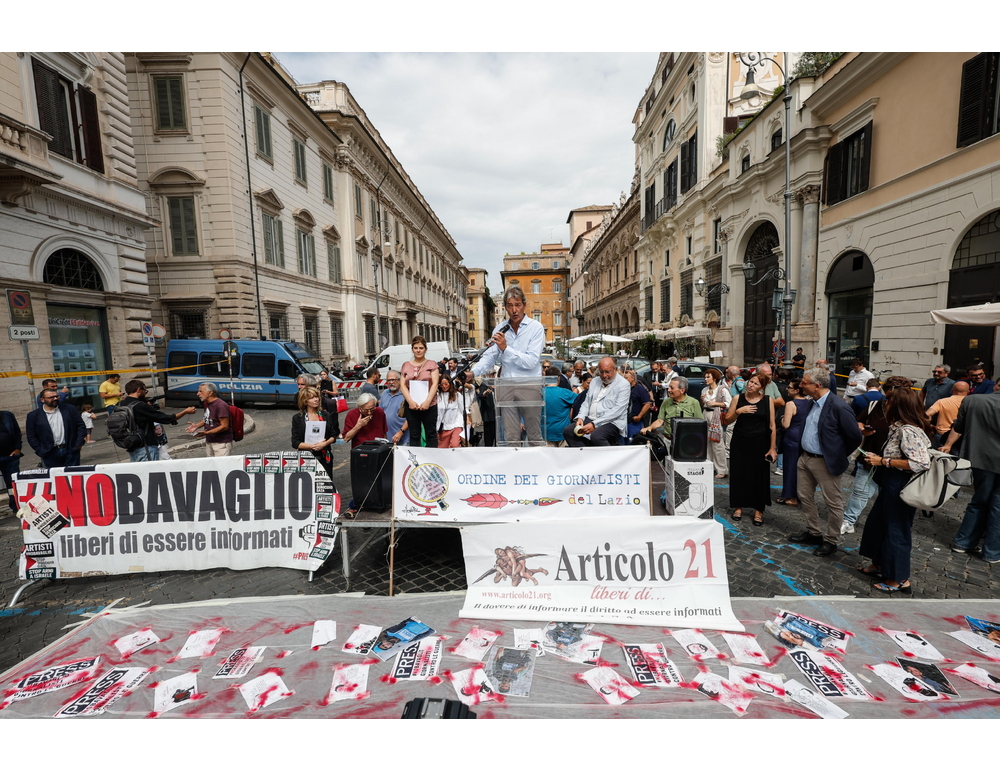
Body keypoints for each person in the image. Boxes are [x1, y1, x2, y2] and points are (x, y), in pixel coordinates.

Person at [857, 387, 933, 593]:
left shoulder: (908, 430)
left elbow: (920, 463)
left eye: (888, 402)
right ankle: (880, 564)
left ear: (897, 406)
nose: (885, 405)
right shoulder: (898, 427)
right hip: (891, 482)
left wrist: (883, 461)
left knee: (896, 529)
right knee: (879, 524)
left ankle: (900, 579)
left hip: (900, 485)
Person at [788, 368, 863, 556]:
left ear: (817, 385)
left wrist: (837, 454)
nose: (801, 385)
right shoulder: (811, 402)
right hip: (805, 458)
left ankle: (831, 540)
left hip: (825, 462)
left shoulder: (838, 406)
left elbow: (854, 436)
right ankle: (814, 532)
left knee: (833, 503)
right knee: (804, 496)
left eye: (805, 382)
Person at [471, 286, 545, 446]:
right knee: (511, 436)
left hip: (529, 386)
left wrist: (506, 348)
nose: (514, 310)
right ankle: (514, 469)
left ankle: (538, 468)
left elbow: (532, 361)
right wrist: (473, 372)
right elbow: (490, 357)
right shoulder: (500, 329)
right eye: (510, 306)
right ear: (505, 307)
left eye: (517, 305)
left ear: (524, 305)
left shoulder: (536, 328)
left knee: (534, 434)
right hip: (506, 386)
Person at [841, 376, 912, 534]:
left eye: (892, 398)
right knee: (860, 492)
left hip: (894, 465)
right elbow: (859, 421)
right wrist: (862, 429)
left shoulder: (909, 414)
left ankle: (886, 525)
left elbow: (917, 459)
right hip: (869, 457)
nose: (888, 402)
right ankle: (848, 521)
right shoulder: (876, 404)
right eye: (887, 396)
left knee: (888, 497)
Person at [942, 384, 1000, 564]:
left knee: (979, 501)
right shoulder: (973, 400)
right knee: (997, 506)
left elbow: (958, 427)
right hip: (987, 459)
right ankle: (991, 552)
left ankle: (963, 543)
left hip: (980, 459)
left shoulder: (973, 400)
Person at [723, 374, 777, 527]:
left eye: (755, 383)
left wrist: (772, 448)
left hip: (760, 442)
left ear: (762, 387)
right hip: (740, 441)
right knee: (739, 473)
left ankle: (758, 510)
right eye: (750, 381)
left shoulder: (767, 401)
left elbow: (772, 426)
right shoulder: (737, 399)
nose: (751, 385)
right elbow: (727, 420)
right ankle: (738, 507)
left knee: (759, 476)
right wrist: (739, 411)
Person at [118, 380, 196, 462]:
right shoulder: (141, 406)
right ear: (138, 390)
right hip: (146, 446)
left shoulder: (120, 404)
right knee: (150, 472)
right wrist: (185, 411)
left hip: (131, 445)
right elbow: (166, 418)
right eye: (144, 390)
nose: (145, 393)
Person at [564, 356, 630, 447]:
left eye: (607, 372)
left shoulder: (623, 384)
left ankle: (611, 459)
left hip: (612, 421)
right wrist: (580, 417)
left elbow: (617, 410)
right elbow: (586, 402)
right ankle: (583, 456)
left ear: (615, 369)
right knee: (568, 431)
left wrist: (595, 424)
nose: (604, 375)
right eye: (601, 372)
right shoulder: (595, 381)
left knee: (597, 436)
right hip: (591, 418)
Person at [25, 388, 87, 468]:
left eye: (56, 396)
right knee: (55, 478)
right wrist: (40, 450)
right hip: (50, 453)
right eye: (51, 397)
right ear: (42, 399)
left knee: (72, 477)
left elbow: (80, 426)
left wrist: (78, 444)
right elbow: (31, 435)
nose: (55, 399)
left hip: (70, 450)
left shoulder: (69, 409)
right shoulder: (34, 415)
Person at [399, 335, 441, 448]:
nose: (418, 350)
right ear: (412, 349)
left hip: (430, 405)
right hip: (412, 405)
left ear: (425, 349)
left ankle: (432, 459)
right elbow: (402, 385)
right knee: (414, 434)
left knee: (431, 434)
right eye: (416, 348)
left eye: (421, 348)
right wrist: (410, 402)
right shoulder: (406, 365)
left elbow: (435, 384)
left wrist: (427, 402)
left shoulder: (432, 364)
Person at [291, 386, 337, 479]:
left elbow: (333, 435)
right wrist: (313, 446)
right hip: (306, 458)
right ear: (305, 401)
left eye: (317, 397)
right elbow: (295, 442)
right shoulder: (298, 418)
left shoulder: (326, 415)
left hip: (325, 456)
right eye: (312, 398)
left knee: (325, 485)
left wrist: (324, 444)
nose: (316, 399)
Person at [638, 376, 703, 442]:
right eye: (669, 387)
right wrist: (649, 428)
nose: (669, 390)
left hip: (686, 441)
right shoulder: (666, 402)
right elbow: (660, 421)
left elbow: (699, 424)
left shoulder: (693, 402)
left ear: (682, 390)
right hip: (668, 440)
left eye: (672, 388)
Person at [777, 379, 810, 507]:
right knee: (801, 468)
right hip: (803, 437)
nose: (787, 389)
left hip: (792, 437)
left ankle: (790, 496)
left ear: (796, 390)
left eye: (790, 387)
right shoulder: (809, 402)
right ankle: (798, 494)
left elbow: (786, 424)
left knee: (789, 467)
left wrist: (781, 418)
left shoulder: (791, 404)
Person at [184, 382, 234, 456]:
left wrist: (206, 433)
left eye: (201, 391)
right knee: (211, 466)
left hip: (221, 443)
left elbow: (224, 426)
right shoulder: (207, 403)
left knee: (221, 466)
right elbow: (208, 418)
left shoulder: (220, 405)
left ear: (210, 393)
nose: (198, 394)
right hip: (210, 441)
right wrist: (197, 426)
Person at [700, 368, 731, 478]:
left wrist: (715, 403)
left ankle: (722, 469)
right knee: (707, 442)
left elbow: (729, 403)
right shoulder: (704, 390)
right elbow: (703, 405)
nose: (706, 379)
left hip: (716, 415)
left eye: (708, 377)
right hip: (705, 414)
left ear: (715, 378)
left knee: (717, 443)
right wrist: (702, 400)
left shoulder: (722, 390)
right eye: (705, 377)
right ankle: (710, 466)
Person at [926, 380, 969, 450]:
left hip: (942, 434)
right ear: (968, 392)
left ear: (952, 390)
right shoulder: (970, 403)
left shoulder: (942, 402)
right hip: (962, 436)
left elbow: (927, 415)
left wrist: (928, 425)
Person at [297, 374, 341, 439]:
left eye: (302, 384)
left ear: (310, 385)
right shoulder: (297, 416)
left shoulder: (320, 401)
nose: (299, 386)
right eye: (298, 384)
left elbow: (326, 423)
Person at [543, 365, 578, 447]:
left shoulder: (539, 393)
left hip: (545, 433)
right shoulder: (565, 393)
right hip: (562, 433)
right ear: (558, 378)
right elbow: (581, 401)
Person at [436, 375, 469, 448]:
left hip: (455, 424)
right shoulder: (438, 396)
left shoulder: (457, 395)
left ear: (450, 384)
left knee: (455, 445)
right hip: (442, 427)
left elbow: (463, 409)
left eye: (446, 384)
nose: (444, 386)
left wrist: (468, 420)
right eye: (442, 384)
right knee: (442, 449)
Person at [0, 410, 22, 513]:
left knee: (12, 485)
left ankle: (16, 506)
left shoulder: (7, 415)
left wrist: (18, 448)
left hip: (10, 457)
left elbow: (17, 433)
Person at [379, 370, 409, 445]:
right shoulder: (385, 393)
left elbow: (410, 418)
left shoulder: (406, 395)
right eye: (389, 380)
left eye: (393, 379)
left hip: (403, 438)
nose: (391, 382)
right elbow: (380, 413)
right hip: (387, 438)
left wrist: (401, 432)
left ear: (400, 380)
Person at [624, 369, 654, 440]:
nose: (624, 380)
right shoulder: (624, 389)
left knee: (633, 441)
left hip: (634, 423)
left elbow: (647, 403)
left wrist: (639, 417)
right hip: (624, 422)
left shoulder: (640, 389)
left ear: (632, 378)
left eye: (626, 378)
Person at [475, 377, 497, 447]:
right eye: (491, 374)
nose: (493, 376)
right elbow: (481, 395)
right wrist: (485, 392)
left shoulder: (498, 383)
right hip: (488, 414)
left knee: (497, 435)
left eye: (494, 374)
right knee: (488, 437)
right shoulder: (484, 384)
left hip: (497, 414)